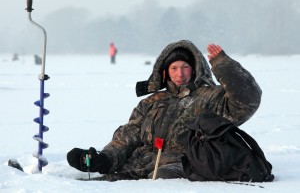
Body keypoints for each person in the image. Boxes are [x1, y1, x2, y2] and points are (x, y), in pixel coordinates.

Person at [67, 40, 262, 181]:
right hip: (141, 166)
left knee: (162, 177)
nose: (180, 73)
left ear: (195, 69)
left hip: (185, 168)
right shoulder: (152, 101)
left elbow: (247, 100)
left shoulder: (212, 98)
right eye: (174, 68)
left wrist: (225, 66)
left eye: (185, 67)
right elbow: (127, 137)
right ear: (165, 72)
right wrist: (104, 159)